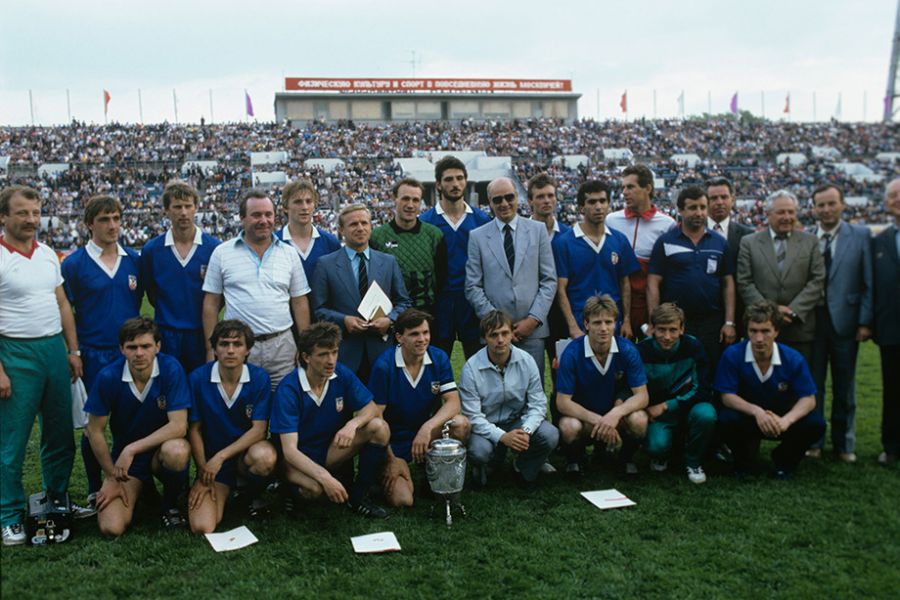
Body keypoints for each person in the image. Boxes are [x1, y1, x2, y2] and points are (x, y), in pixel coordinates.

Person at [0, 185, 81, 546]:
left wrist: (73, 350)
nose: (31, 220)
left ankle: (57, 497)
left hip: (52, 349)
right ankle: (8, 513)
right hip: (14, 352)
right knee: (12, 441)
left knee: (60, 434)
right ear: (4, 216)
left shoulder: (48, 253)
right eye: (22, 213)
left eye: (35, 212)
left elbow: (62, 302)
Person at [61, 194, 143, 516]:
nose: (112, 225)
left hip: (131, 354)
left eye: (116, 218)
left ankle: (135, 481)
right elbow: (65, 309)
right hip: (93, 354)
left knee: (131, 419)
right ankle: (96, 488)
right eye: (104, 219)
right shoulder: (74, 264)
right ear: (89, 224)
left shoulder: (134, 259)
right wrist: (74, 351)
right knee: (93, 424)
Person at [269, 322, 391, 518]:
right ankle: (287, 490)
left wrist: (352, 425)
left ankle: (359, 497)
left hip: (328, 451)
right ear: (306, 357)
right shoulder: (289, 389)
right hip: (297, 460)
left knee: (379, 427)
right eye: (323, 354)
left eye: (334, 352)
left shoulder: (341, 374)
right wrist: (325, 478)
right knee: (315, 490)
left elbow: (371, 409)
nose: (331, 360)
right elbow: (290, 452)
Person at [84, 317, 192, 536]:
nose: (139, 353)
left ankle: (170, 504)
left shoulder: (171, 368)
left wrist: (131, 449)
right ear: (122, 349)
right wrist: (112, 475)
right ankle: (142, 490)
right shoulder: (108, 377)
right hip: (127, 466)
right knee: (111, 527)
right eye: (132, 347)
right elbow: (93, 430)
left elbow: (179, 426)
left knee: (178, 450)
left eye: (146, 346)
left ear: (158, 347)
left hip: (158, 453)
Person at [202, 189, 311, 388]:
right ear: (242, 218)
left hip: (282, 346)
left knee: (282, 406)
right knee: (242, 409)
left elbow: (300, 302)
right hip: (238, 347)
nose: (264, 220)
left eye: (268, 215)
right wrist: (211, 348)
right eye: (256, 215)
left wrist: (304, 345)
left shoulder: (289, 253)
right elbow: (211, 303)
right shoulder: (222, 253)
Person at [368, 309, 469, 507]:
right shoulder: (384, 366)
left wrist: (427, 428)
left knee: (461, 424)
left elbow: (453, 402)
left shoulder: (438, 357)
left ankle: (431, 472)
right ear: (399, 337)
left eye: (425, 333)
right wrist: (391, 459)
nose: (422, 339)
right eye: (414, 334)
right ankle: (382, 473)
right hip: (394, 440)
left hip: (424, 435)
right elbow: (375, 420)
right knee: (403, 500)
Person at [714, 300, 825, 479]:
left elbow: (809, 398)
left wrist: (786, 421)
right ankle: (743, 462)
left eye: (765, 331)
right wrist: (757, 412)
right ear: (747, 331)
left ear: (776, 332)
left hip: (780, 418)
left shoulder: (793, 358)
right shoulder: (733, 355)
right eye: (753, 331)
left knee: (816, 424)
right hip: (749, 417)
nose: (759, 338)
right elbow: (726, 396)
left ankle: (784, 460)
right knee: (725, 418)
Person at [187, 320, 276, 534]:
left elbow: (259, 430)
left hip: (242, 458)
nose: (230, 350)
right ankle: (223, 492)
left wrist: (221, 457)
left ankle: (247, 496)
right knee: (202, 527)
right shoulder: (198, 378)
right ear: (214, 348)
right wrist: (203, 472)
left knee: (265, 457)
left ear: (247, 350)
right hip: (212, 466)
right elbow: (194, 429)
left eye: (237, 344)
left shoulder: (259, 378)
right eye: (224, 344)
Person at [465, 177, 557, 384]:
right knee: (497, 390)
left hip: (532, 330)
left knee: (533, 389)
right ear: (489, 202)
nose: (504, 204)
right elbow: (472, 286)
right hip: (495, 332)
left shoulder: (537, 231)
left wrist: (533, 319)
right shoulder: (477, 237)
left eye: (509, 197)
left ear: (518, 197)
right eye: (498, 200)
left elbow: (549, 280)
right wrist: (497, 324)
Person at [806, 184, 872, 463]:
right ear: (813, 208)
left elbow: (868, 283)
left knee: (845, 386)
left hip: (846, 323)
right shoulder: (807, 238)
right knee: (814, 386)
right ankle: (815, 441)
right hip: (813, 323)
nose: (826, 209)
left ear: (843, 204)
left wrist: (864, 321)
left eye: (832, 203)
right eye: (821, 205)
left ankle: (845, 444)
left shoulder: (861, 235)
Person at [459, 311, 559, 490]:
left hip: (517, 422)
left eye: (505, 333)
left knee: (550, 435)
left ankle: (523, 468)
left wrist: (526, 431)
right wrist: (503, 437)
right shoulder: (471, 368)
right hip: (485, 426)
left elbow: (538, 403)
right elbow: (472, 416)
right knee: (478, 452)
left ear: (512, 334)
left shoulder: (526, 361)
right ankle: (483, 468)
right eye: (493, 335)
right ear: (484, 338)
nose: (500, 340)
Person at [312, 204, 411, 383]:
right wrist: (344, 320)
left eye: (364, 223)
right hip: (344, 351)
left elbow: (404, 302)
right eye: (353, 224)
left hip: (381, 350)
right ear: (341, 230)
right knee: (343, 408)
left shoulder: (388, 262)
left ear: (371, 226)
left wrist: (389, 320)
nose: (360, 228)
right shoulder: (326, 264)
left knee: (384, 408)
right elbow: (318, 309)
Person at [555, 295, 648, 478]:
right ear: (586, 324)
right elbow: (562, 402)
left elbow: (642, 396)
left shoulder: (628, 350)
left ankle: (625, 459)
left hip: (616, 418)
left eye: (608, 322)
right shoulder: (572, 353)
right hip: (586, 420)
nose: (604, 328)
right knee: (568, 426)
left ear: (616, 323)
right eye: (597, 323)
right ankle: (576, 460)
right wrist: (598, 420)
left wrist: (615, 414)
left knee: (639, 419)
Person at [647, 185, 737, 372]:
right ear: (680, 210)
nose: (699, 212)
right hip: (675, 323)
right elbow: (653, 283)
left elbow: (728, 283)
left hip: (711, 321)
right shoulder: (666, 241)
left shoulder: (719, 242)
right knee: (678, 371)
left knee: (710, 368)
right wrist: (653, 321)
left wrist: (729, 322)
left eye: (703, 207)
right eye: (693, 207)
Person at [736, 190, 825, 366]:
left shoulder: (811, 241)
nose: (787, 217)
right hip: (761, 331)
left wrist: (794, 310)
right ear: (768, 214)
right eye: (781, 212)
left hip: (800, 329)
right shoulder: (749, 242)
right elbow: (744, 282)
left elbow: (817, 280)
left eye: (791, 212)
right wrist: (771, 312)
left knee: (799, 387)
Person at [140, 181, 221, 374]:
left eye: (188, 206)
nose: (183, 212)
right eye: (177, 207)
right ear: (167, 210)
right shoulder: (152, 250)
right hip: (166, 334)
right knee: (168, 389)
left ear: (196, 208)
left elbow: (219, 296)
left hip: (202, 334)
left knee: (200, 390)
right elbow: (151, 293)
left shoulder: (214, 248)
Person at [420, 156, 491, 359]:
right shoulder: (426, 222)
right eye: (449, 179)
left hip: (473, 306)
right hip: (439, 308)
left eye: (460, 178)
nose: (455, 184)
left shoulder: (481, 220)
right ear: (438, 184)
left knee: (479, 366)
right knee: (437, 366)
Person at [637, 303, 716, 484]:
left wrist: (667, 405)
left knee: (706, 415)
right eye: (661, 330)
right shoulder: (642, 351)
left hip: (688, 406)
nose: (667, 336)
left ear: (682, 329)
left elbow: (703, 389)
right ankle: (662, 455)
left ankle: (693, 461)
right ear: (652, 329)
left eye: (673, 330)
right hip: (659, 415)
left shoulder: (694, 347)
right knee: (656, 446)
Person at [555, 180, 640, 340]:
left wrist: (627, 320)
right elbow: (561, 289)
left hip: (613, 322)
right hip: (581, 323)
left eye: (602, 201)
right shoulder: (564, 243)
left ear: (609, 204)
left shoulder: (619, 240)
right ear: (581, 207)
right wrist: (572, 326)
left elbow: (625, 283)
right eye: (592, 202)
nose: (598, 206)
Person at [605, 164, 676, 338]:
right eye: (623, 187)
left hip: (650, 303)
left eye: (630, 187)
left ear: (648, 188)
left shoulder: (667, 224)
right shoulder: (611, 220)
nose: (625, 192)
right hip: (619, 301)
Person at [370, 177, 448, 317]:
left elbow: (441, 278)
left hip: (426, 313)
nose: (410, 205)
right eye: (405, 198)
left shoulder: (434, 235)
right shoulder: (377, 237)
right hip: (391, 313)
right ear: (395, 199)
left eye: (415, 200)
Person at [873, 177, 900, 466]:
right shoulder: (879, 240)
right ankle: (891, 446)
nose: (897, 200)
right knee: (892, 390)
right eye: (892, 195)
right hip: (892, 328)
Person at [274, 179, 341, 285]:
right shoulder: (274, 243)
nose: (304, 207)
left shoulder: (331, 243)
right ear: (286, 207)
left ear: (314, 205)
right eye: (298, 202)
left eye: (308, 201)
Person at [706, 176, 754, 323]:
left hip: (739, 312)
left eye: (724, 197)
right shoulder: (693, 233)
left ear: (732, 200)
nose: (719, 202)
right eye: (714, 198)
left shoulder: (748, 235)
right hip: (705, 312)